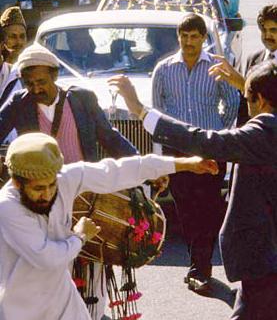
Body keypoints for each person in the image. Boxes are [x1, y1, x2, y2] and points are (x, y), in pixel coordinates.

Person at [108, 59, 277, 320]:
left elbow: (203, 140)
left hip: (264, 258)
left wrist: (141, 111)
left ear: (262, 100)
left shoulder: (266, 130)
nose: (249, 110)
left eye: (248, 101)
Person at [0, 131, 219, 320]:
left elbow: (117, 170)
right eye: (38, 189)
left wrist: (185, 164)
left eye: (51, 185)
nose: (47, 194)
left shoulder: (65, 178)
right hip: (21, 309)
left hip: (63, 301)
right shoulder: (7, 207)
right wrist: (79, 236)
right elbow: (47, 257)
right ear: (17, 182)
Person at [0, 43, 138, 319]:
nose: (35, 89)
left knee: (92, 264)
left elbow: (110, 138)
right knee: (54, 265)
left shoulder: (82, 99)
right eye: (28, 83)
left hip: (86, 197)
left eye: (41, 81)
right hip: (43, 201)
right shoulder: (20, 103)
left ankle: (93, 313)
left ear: (55, 74)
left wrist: (141, 168)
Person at [150, 12, 240, 292]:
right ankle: (196, 263)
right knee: (186, 209)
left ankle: (201, 267)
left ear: (203, 38)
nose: (189, 42)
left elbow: (233, 103)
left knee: (210, 208)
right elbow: (157, 112)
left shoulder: (215, 67)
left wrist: (218, 133)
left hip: (211, 146)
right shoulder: (164, 69)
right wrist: (164, 152)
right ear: (179, 38)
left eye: (195, 37)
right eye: (184, 36)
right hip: (178, 151)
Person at [209, 4, 277, 125]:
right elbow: (246, 106)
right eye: (263, 30)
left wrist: (243, 84)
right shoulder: (254, 59)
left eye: (273, 30)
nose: (267, 36)